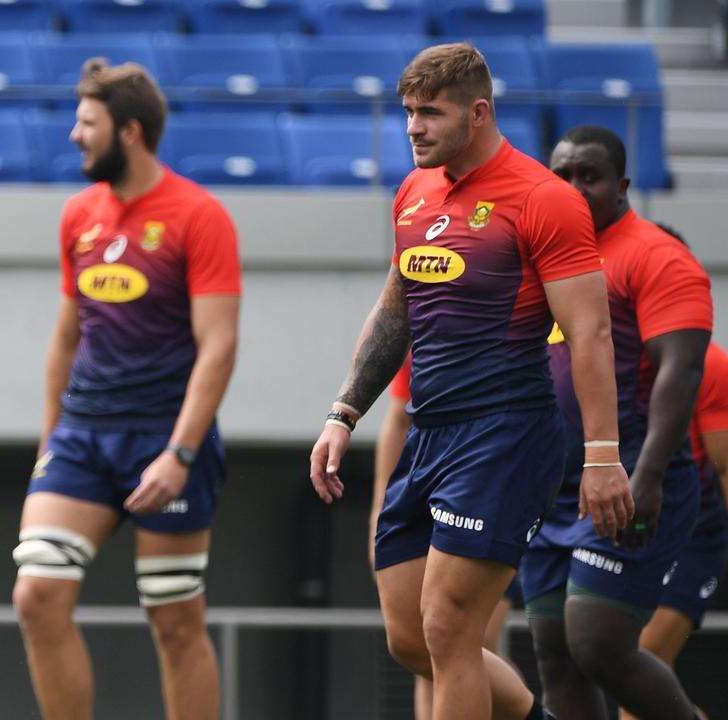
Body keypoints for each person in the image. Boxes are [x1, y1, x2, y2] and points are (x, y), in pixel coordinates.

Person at [310, 43, 633, 720]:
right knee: (410, 639)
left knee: (448, 629)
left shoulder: (544, 199)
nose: (413, 127)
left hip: (506, 437)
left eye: (431, 112)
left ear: (479, 113)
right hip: (428, 434)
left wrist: (603, 457)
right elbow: (396, 309)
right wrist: (344, 412)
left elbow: (591, 336)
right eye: (408, 112)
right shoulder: (414, 191)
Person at [10, 58, 240, 720]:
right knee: (36, 596)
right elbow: (65, 337)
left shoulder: (201, 216)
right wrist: (50, 439)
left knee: (173, 620)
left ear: (130, 131)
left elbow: (219, 345)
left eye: (87, 123)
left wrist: (181, 453)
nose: (75, 136)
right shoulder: (78, 214)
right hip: (81, 436)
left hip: (164, 438)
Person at [520, 125, 711, 720]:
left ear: (623, 185)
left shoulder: (656, 255)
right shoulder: (540, 256)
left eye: (590, 176)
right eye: (561, 176)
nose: (574, 189)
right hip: (551, 487)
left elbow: (680, 374)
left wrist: (647, 475)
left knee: (598, 642)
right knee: (554, 654)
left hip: (628, 479)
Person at [370, 358, 522, 720]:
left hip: (499, 483)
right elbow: (397, 418)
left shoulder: (520, 320)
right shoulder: (431, 318)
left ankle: (529, 712)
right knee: (428, 645)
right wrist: (380, 509)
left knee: (460, 639)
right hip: (434, 494)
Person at [622, 338, 728, 720]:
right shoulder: (604, 351)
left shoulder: (709, 364)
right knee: (623, 675)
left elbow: (725, 466)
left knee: (636, 664)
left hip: (692, 541)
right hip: (628, 534)